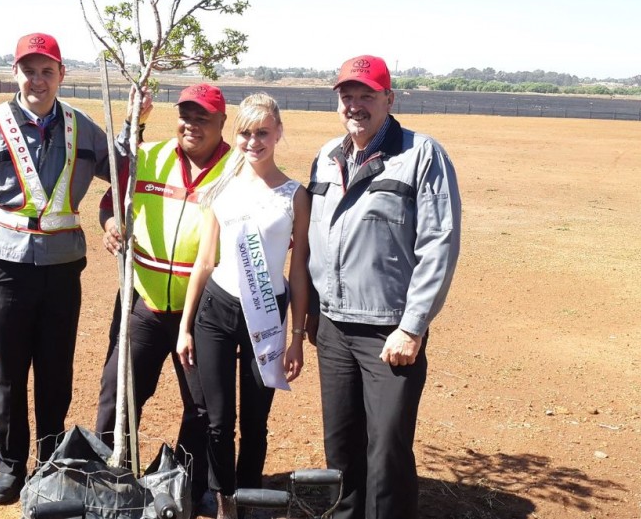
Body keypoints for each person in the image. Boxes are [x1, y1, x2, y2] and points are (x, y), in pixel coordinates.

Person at [0, 32, 113, 505]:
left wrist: (137, 124)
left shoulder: (83, 127)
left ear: (61, 75)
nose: (38, 80)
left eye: (47, 71)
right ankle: (11, 465)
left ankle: (50, 461)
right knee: (10, 372)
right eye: (29, 70)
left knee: (55, 369)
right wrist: (10, 235)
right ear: (15, 73)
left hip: (64, 269)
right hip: (7, 268)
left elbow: (122, 170)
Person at [306, 54, 462, 519]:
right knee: (342, 448)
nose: (355, 104)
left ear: (389, 99)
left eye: (366, 96)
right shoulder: (327, 156)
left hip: (388, 332)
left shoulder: (421, 154)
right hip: (333, 328)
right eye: (347, 96)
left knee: (388, 452)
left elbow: (439, 242)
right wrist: (312, 312)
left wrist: (413, 327)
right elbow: (313, 235)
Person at [95, 83, 231, 511]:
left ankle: (184, 487)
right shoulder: (149, 157)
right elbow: (110, 201)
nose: (191, 125)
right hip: (144, 303)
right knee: (118, 394)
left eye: (203, 117)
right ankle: (109, 478)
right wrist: (110, 224)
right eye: (186, 115)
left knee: (203, 409)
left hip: (204, 313)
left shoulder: (238, 168)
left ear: (222, 122)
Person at [176, 93, 310, 519]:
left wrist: (297, 337)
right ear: (235, 136)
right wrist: (185, 326)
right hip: (216, 311)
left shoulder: (295, 195)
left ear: (279, 133)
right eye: (246, 133)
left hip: (267, 316)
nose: (254, 141)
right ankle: (224, 501)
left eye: (263, 133)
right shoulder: (221, 190)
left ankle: (251, 498)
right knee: (218, 421)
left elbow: (300, 268)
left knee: (255, 422)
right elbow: (204, 261)